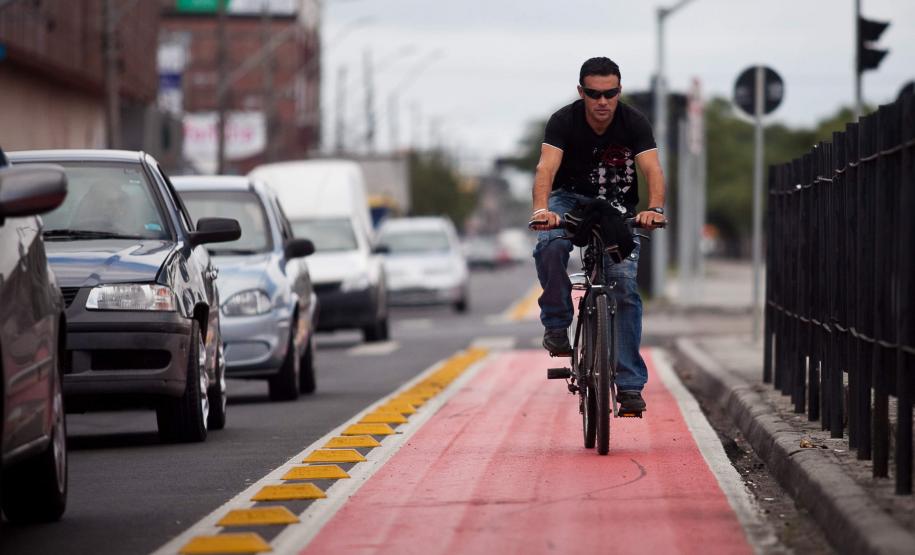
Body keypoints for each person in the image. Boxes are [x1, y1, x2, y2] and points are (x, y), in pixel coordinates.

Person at [530, 57, 667, 413]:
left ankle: (630, 386)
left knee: (624, 288)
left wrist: (654, 208)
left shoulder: (634, 121)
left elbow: (652, 169)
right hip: (569, 199)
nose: (603, 101)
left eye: (610, 93)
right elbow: (546, 168)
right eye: (594, 94)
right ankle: (557, 323)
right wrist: (542, 211)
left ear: (619, 91)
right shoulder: (563, 121)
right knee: (549, 245)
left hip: (616, 206)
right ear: (581, 92)